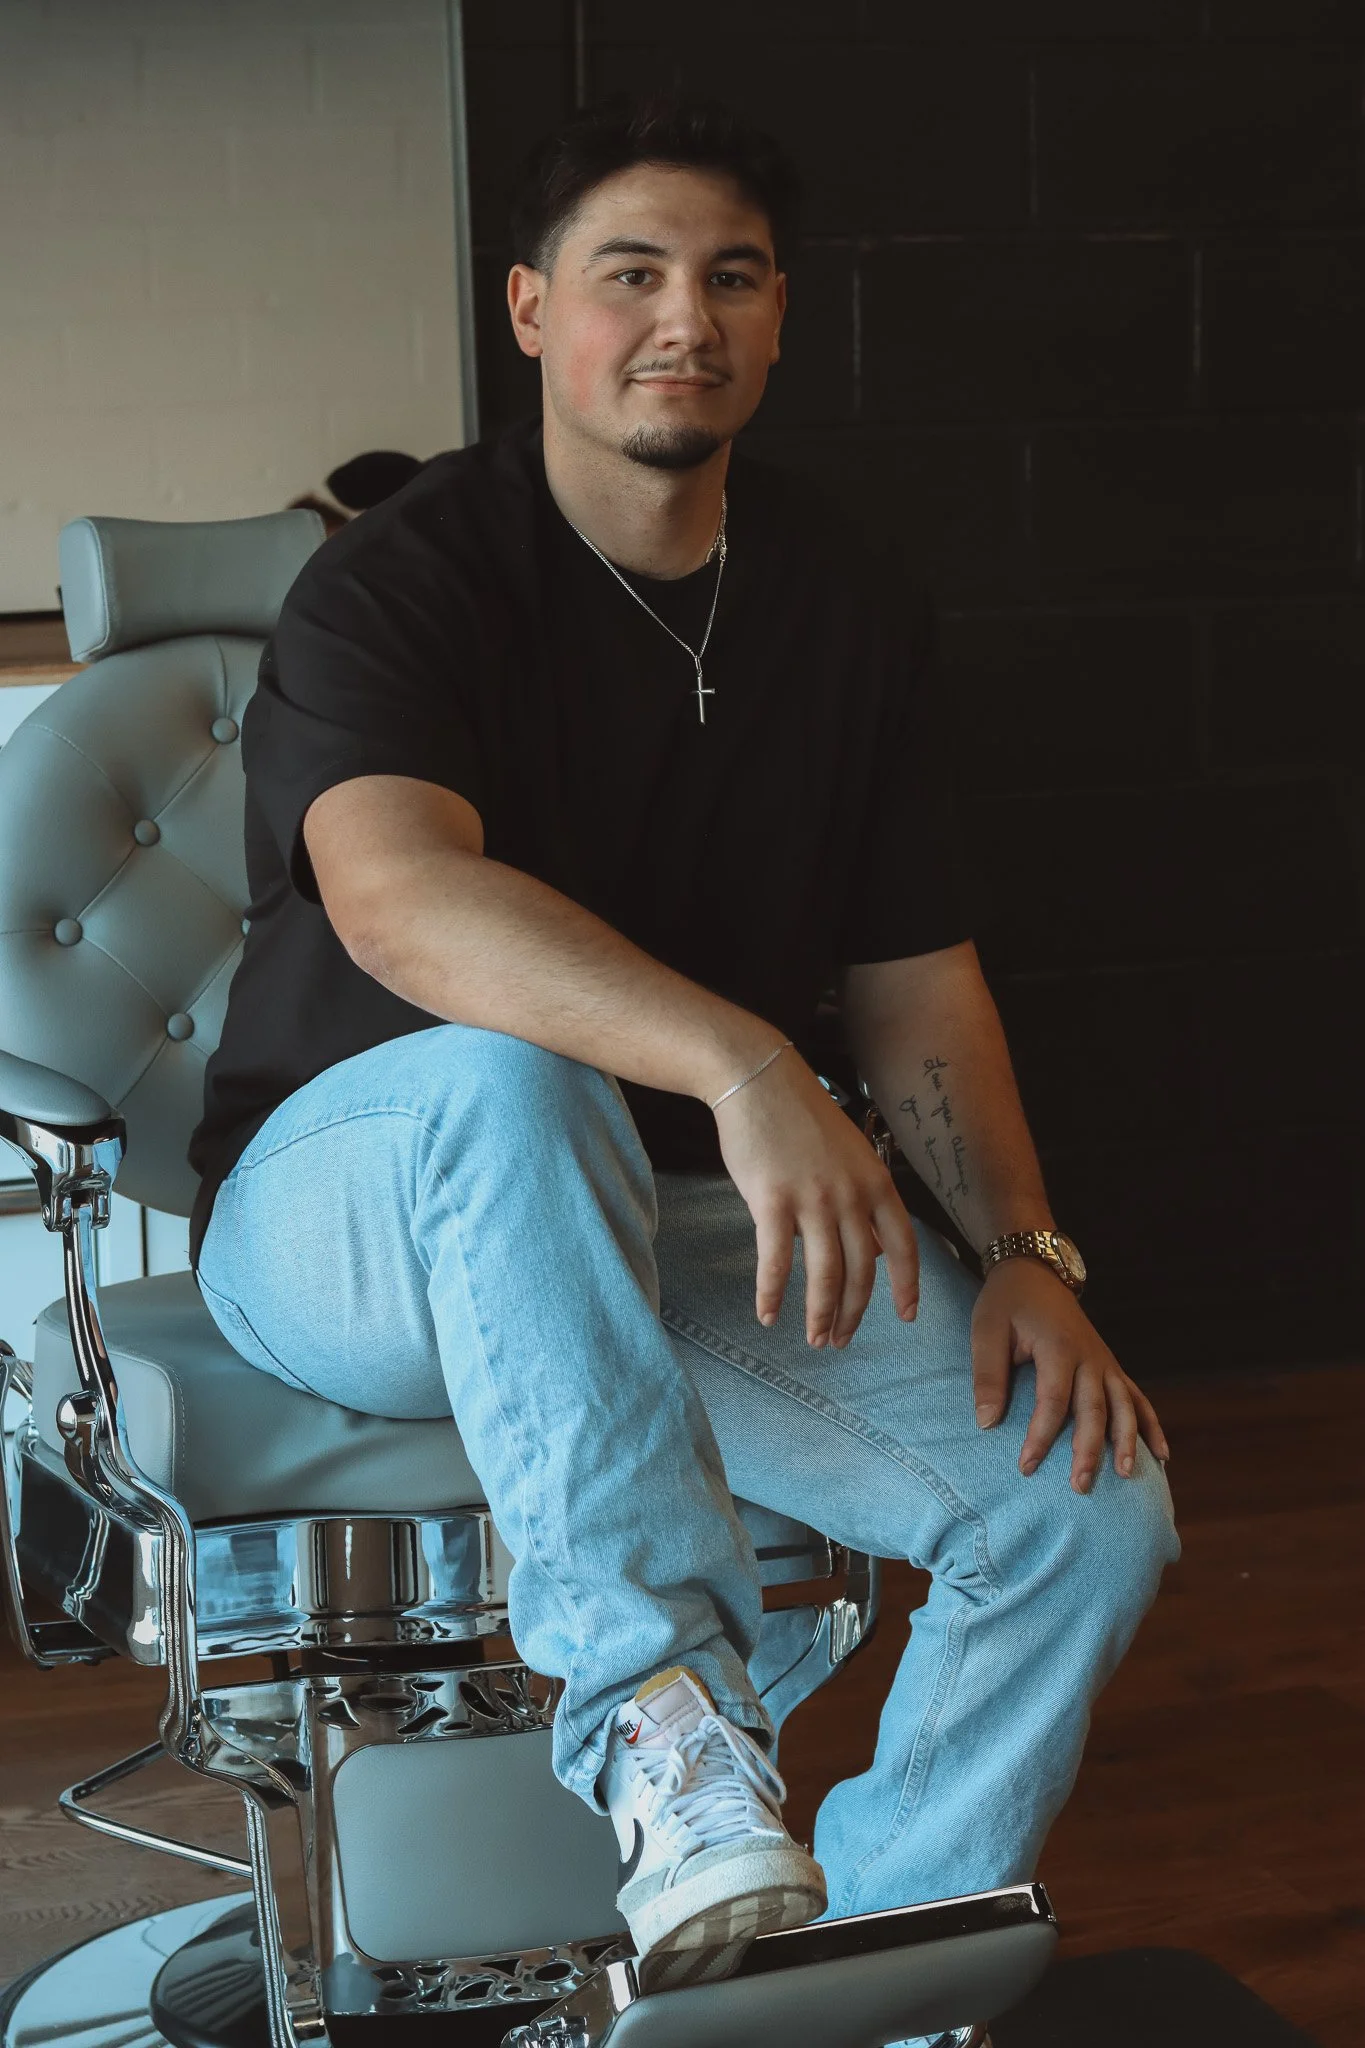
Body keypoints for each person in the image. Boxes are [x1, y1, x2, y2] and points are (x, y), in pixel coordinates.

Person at [189, 89, 1179, 2036]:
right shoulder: (405, 573)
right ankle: (671, 1738)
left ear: (781, 317)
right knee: (502, 1075)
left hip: (661, 1221)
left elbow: (913, 987)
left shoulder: (840, 598)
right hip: (356, 1201)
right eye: (629, 274)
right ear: (533, 308)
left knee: (1084, 1503)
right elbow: (397, 902)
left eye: (729, 279)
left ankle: (829, 1988)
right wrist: (740, 1064)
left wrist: (1032, 1263)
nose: (683, 319)